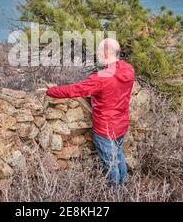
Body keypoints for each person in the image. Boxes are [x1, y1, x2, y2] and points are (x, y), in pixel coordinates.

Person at [46, 38, 135, 185]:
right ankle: (124, 188)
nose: (98, 54)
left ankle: (115, 195)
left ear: (106, 53)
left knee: (110, 164)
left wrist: (51, 91)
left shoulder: (102, 77)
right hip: (121, 124)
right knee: (118, 156)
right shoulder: (128, 69)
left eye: (99, 51)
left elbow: (76, 89)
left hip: (106, 127)